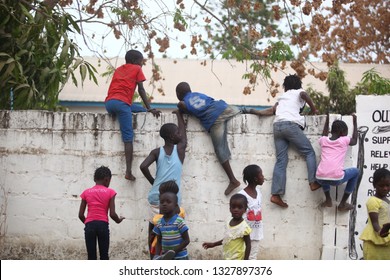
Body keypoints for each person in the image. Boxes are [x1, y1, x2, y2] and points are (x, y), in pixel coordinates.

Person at [250, 74, 320, 208]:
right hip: (290, 126)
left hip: (277, 127)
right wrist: (313, 109)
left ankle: (276, 195)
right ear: (299, 84)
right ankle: (313, 182)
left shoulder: (283, 97)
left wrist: (256, 112)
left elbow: (272, 110)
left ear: (285, 86)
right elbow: (305, 95)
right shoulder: (299, 92)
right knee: (309, 152)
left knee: (281, 160)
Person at [176, 81, 246, 195]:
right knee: (242, 110)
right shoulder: (198, 94)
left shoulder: (182, 103)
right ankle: (256, 111)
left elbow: (183, 108)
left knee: (219, 149)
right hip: (222, 106)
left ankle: (233, 180)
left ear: (178, 93)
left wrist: (179, 111)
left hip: (214, 119)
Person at [105, 49, 161, 181]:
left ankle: (145, 110)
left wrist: (146, 109)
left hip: (109, 103)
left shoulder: (119, 69)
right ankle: (128, 171)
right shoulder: (136, 68)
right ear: (136, 61)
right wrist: (150, 107)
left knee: (139, 109)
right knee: (128, 137)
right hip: (122, 104)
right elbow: (141, 90)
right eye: (141, 62)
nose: (141, 65)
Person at [140, 109, 186, 224]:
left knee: (155, 226)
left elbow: (143, 166)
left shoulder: (156, 152)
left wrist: (154, 182)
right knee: (172, 227)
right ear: (171, 136)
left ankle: (151, 242)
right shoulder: (179, 150)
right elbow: (184, 137)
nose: (179, 134)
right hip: (172, 199)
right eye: (177, 133)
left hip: (156, 195)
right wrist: (179, 115)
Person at [78, 166, 125, 260]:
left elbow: (80, 215)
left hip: (89, 225)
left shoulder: (86, 192)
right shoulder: (110, 192)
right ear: (107, 179)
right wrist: (119, 220)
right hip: (102, 225)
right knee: (104, 255)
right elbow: (112, 214)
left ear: (94, 179)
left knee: (91, 256)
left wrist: (89, 223)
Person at [315, 113, 359, 211]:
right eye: (346, 132)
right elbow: (355, 140)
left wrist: (326, 120)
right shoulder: (343, 140)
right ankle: (342, 204)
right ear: (342, 132)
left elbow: (324, 134)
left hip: (319, 178)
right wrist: (355, 123)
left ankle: (328, 199)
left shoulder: (323, 140)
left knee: (325, 172)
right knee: (356, 172)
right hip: (336, 179)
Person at [202, 193, 252, 260]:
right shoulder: (229, 222)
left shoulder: (244, 227)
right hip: (227, 257)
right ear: (230, 209)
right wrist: (213, 244)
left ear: (245, 209)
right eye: (233, 207)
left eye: (239, 207)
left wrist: (246, 260)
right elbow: (227, 239)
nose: (236, 210)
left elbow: (248, 245)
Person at [149, 180, 186, 260]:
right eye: (162, 202)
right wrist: (157, 255)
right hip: (164, 255)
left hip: (179, 256)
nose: (164, 204)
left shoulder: (179, 221)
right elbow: (158, 240)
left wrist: (174, 252)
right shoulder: (159, 222)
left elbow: (186, 240)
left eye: (168, 201)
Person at [359, 168, 390, 260]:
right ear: (374, 185)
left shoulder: (387, 201)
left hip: (386, 240)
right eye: (381, 185)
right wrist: (380, 232)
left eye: (388, 185)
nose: (385, 188)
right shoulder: (373, 201)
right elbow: (375, 222)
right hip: (375, 240)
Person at [238, 164, 264, 260]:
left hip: (256, 232)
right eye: (261, 174)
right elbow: (237, 216)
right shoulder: (241, 195)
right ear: (255, 179)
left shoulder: (258, 192)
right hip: (244, 234)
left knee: (252, 257)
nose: (263, 177)